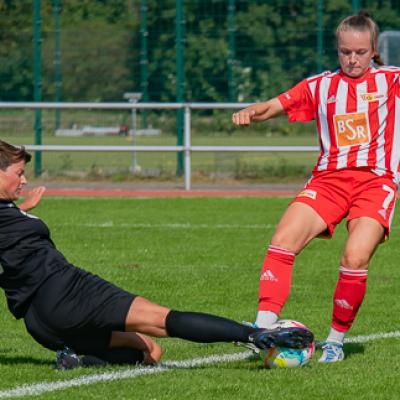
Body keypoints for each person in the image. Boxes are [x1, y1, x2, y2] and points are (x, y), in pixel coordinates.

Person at [0, 140, 313, 370]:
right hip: (67, 292)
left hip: (41, 323)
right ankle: (255, 334)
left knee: (150, 351)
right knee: (164, 320)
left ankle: (78, 361)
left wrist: (23, 209)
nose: (25, 180)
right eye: (19, 173)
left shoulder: (7, 211)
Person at [232, 11, 400, 363]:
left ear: (373, 51)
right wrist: (251, 111)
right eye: (345, 52)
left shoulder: (392, 80)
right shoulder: (320, 86)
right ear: (337, 50)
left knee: (355, 256)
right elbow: (274, 105)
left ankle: (336, 340)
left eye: (359, 52)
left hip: (376, 182)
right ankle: (262, 327)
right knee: (282, 239)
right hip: (328, 182)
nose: (352, 59)